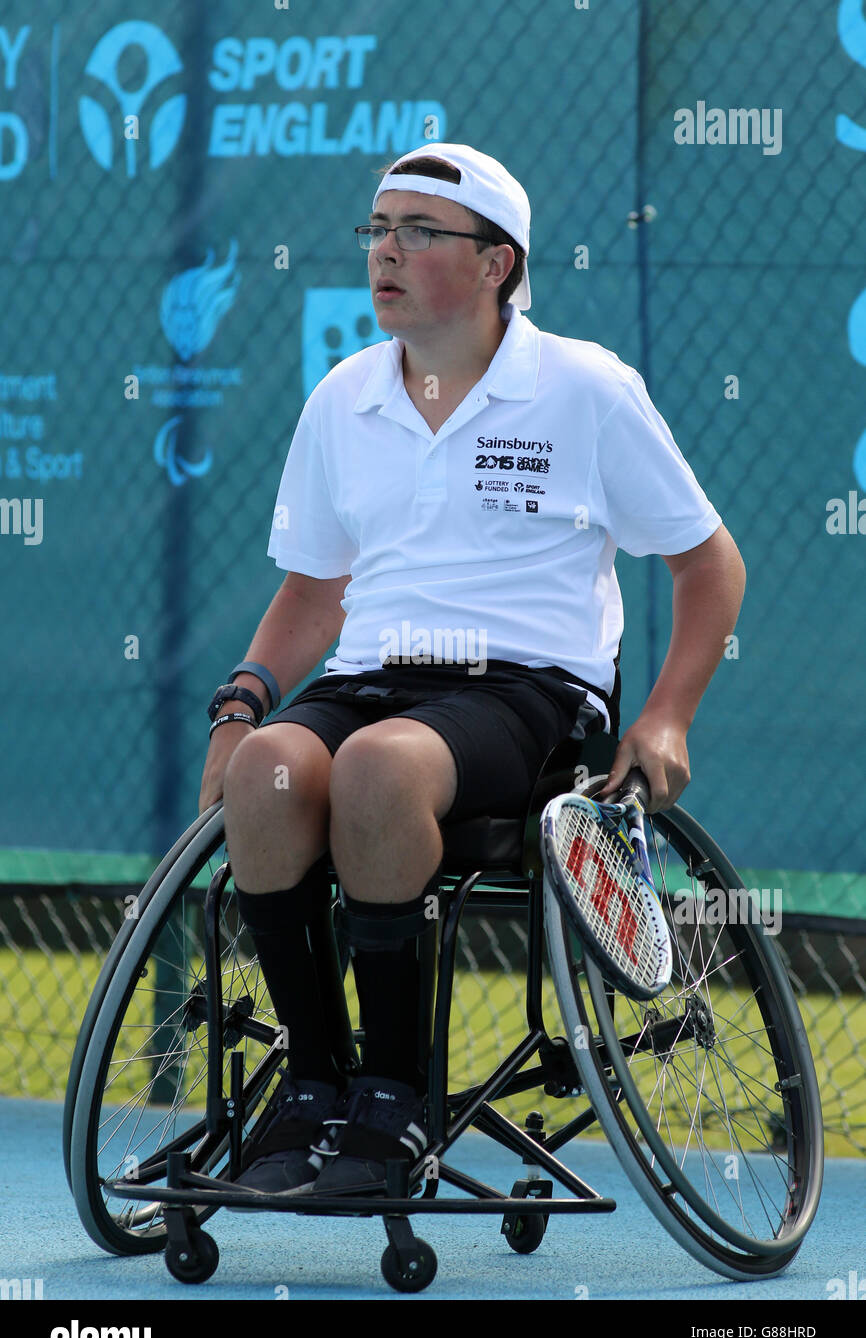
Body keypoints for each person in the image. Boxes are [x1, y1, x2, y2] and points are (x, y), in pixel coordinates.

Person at [198, 142, 746, 1196]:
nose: (384, 252)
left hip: (526, 692)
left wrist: (668, 716)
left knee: (379, 769)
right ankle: (312, 1088)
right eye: (376, 230)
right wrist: (242, 700)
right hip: (368, 678)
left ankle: (394, 1104)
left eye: (417, 231)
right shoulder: (342, 398)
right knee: (270, 768)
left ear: (496, 263)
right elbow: (313, 594)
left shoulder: (586, 387)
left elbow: (706, 565)